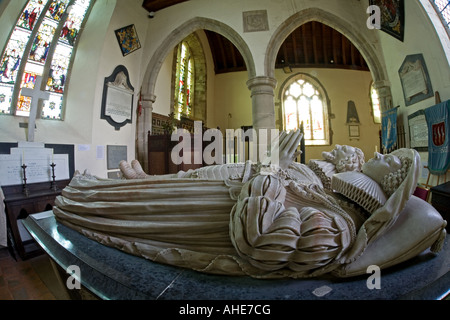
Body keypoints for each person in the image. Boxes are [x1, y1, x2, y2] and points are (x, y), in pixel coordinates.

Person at [53, 131, 446, 279]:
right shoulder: (335, 196)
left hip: (208, 212)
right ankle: (142, 183)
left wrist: (272, 168)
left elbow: (261, 240)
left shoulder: (340, 228)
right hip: (229, 186)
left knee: (103, 201)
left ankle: (90, 195)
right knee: (185, 178)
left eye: (392, 159)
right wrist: (272, 168)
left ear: (387, 183)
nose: (381, 154)